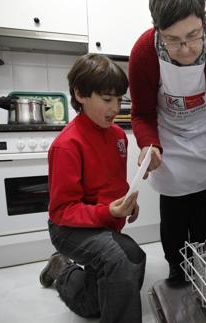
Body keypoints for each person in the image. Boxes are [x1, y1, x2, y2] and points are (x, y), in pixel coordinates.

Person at [128, 0, 206, 285]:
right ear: (157, 30)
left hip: (203, 135)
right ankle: (175, 264)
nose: (185, 49)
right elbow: (142, 114)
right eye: (173, 40)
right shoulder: (144, 52)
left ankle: (202, 259)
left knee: (201, 203)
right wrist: (149, 144)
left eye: (193, 36)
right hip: (169, 139)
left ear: (204, 20)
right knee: (173, 211)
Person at [39, 53, 146, 323]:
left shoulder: (119, 136)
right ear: (81, 94)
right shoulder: (67, 145)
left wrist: (126, 202)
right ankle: (64, 266)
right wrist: (108, 211)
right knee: (120, 259)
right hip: (68, 228)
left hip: (100, 222)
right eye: (107, 99)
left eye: (119, 99)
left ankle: (61, 268)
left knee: (132, 259)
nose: (115, 108)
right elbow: (62, 210)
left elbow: (112, 183)